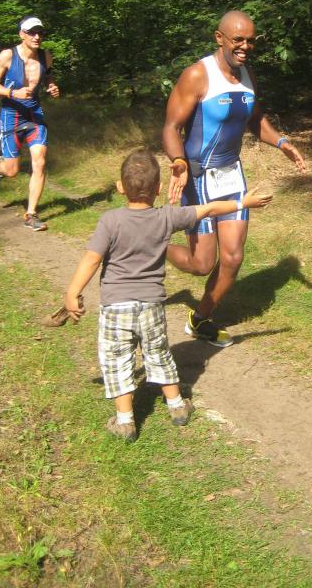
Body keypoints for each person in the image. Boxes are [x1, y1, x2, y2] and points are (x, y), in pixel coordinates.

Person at [64, 148, 272, 442]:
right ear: (159, 188)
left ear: (120, 187)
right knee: (159, 353)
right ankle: (176, 406)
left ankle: (125, 421)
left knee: (118, 359)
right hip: (151, 305)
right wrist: (243, 202)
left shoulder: (109, 221)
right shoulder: (166, 217)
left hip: (116, 307)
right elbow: (209, 210)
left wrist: (73, 292)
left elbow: (91, 259)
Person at [162, 9, 306, 349]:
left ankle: (200, 319)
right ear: (220, 38)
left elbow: (254, 120)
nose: (245, 47)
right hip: (198, 177)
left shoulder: (246, 75)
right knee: (201, 264)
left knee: (233, 257)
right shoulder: (198, 75)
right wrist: (179, 161)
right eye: (238, 40)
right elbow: (171, 127)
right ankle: (155, 244)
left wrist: (282, 142)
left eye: (250, 41)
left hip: (231, 175)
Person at [0, 15, 60, 231]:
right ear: (21, 34)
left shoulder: (46, 56)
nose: (37, 37)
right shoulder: (8, 55)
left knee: (40, 161)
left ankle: (31, 214)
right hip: (11, 114)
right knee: (12, 170)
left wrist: (52, 86)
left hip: (34, 114)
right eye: (32, 32)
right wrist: (12, 92)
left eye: (40, 33)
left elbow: (48, 75)